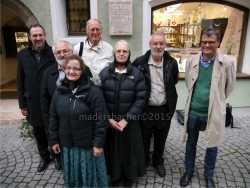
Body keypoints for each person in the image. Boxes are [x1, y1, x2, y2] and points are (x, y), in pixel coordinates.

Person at [179, 28, 236, 188]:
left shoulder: (226, 63)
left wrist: (217, 100)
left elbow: (229, 87)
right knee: (191, 143)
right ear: (200, 43)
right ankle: (189, 171)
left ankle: (208, 175)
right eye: (204, 41)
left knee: (212, 145)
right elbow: (189, 84)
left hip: (214, 112)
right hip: (194, 111)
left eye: (211, 42)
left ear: (218, 43)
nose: (207, 45)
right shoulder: (191, 62)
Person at [49, 55, 109, 188]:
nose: (72, 71)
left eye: (76, 69)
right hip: (68, 145)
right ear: (64, 69)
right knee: (73, 177)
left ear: (82, 70)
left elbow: (101, 119)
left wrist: (98, 144)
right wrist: (54, 140)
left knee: (89, 178)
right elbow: (53, 118)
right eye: (69, 68)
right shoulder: (59, 92)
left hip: (87, 146)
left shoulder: (93, 91)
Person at [99, 40, 146, 187]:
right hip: (111, 122)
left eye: (124, 51)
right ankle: (115, 176)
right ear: (114, 53)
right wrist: (108, 119)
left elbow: (141, 99)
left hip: (129, 123)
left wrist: (127, 119)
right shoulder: (105, 73)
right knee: (112, 151)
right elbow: (98, 100)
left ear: (129, 54)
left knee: (129, 151)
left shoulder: (137, 74)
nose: (121, 54)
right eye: (118, 51)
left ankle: (129, 177)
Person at [133, 32, 179, 177]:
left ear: (165, 45)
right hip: (146, 108)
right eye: (155, 43)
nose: (158, 47)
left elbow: (174, 81)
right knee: (144, 138)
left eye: (161, 44)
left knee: (161, 137)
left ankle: (158, 161)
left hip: (165, 108)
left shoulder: (172, 63)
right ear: (150, 45)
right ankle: (144, 160)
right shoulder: (139, 63)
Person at [17, 24, 56, 172]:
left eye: (40, 35)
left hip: (50, 100)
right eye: (35, 36)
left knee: (53, 129)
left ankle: (56, 156)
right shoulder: (22, 55)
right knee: (38, 131)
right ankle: (44, 157)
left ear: (45, 35)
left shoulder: (53, 52)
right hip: (32, 101)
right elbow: (20, 80)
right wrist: (22, 104)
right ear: (29, 37)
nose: (38, 38)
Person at [40, 40, 74, 171]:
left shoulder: (83, 69)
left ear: (71, 52)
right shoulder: (48, 73)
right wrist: (49, 124)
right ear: (54, 55)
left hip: (78, 120)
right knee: (60, 144)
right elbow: (44, 101)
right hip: (58, 121)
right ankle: (59, 159)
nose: (62, 54)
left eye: (65, 51)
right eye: (58, 52)